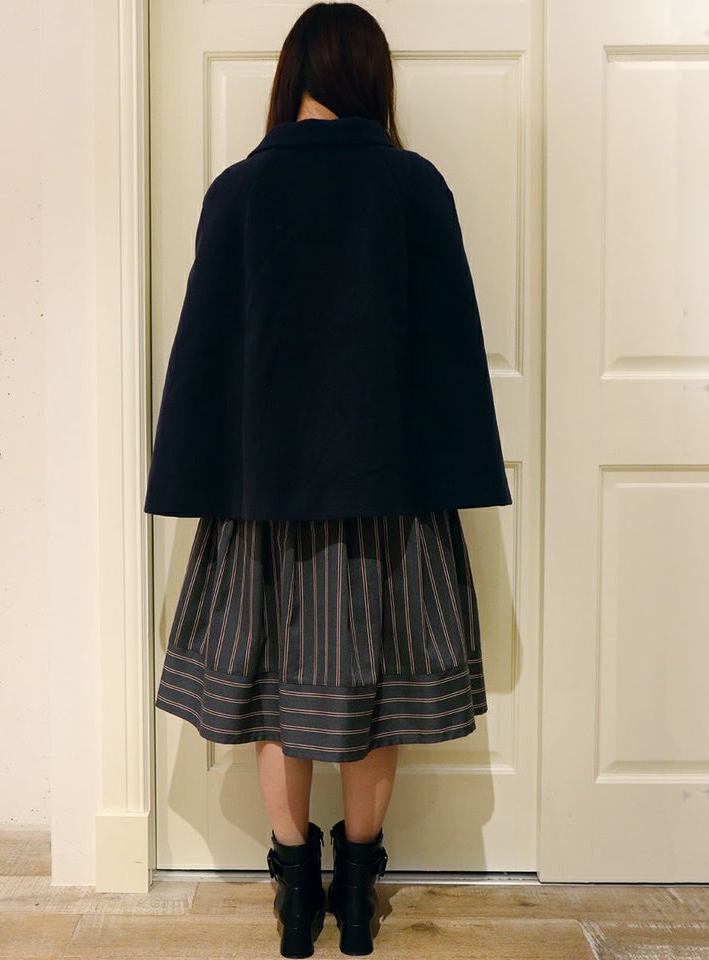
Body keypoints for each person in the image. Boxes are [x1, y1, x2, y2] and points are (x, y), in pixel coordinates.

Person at [143, 3, 512, 956]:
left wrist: (194, 475)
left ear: (291, 76)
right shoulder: (414, 186)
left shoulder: (239, 191)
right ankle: (356, 892)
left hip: (267, 498)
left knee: (278, 694)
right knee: (374, 695)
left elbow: (203, 354)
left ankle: (296, 897)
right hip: (388, 496)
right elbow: (450, 351)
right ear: (371, 78)